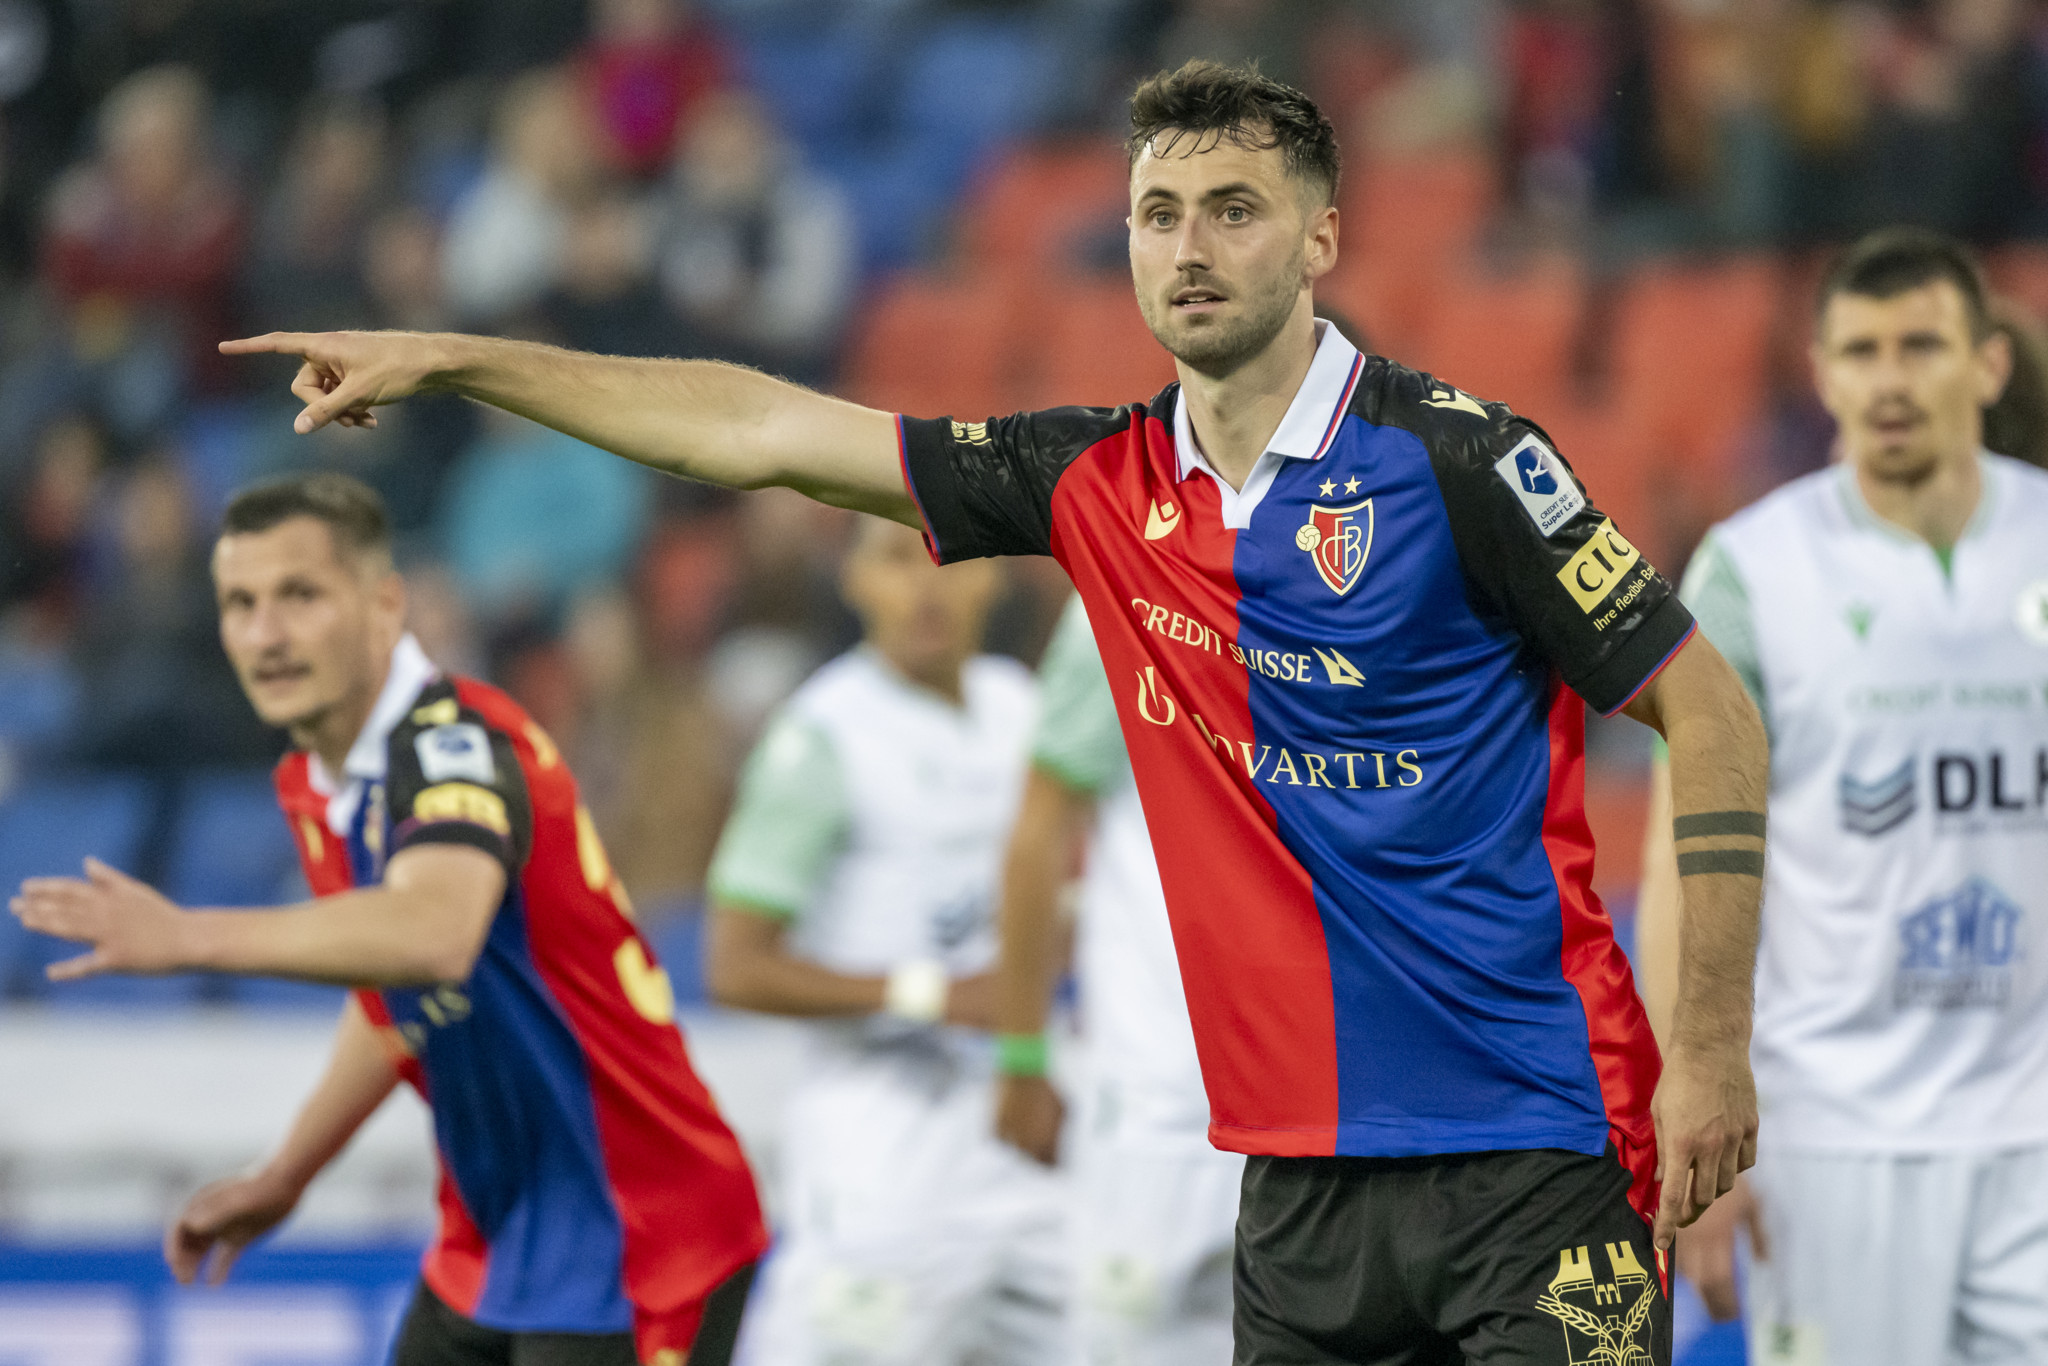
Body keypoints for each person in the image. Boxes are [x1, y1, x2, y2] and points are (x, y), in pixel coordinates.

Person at [218, 58, 1766, 1365]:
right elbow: (761, 428)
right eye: (1160, 214)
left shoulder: (1464, 463)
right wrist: (465, 361)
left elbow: (1713, 716)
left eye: (1235, 209)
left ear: (1320, 240)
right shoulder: (1099, 478)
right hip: (1294, 1184)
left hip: (1533, 1147)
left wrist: (1707, 1055)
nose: (1191, 247)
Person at [9, 473, 766, 1366]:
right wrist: (287, 1173)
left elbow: (432, 933)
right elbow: (394, 997)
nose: (267, 634)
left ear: (382, 604)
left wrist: (192, 935)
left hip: (638, 1229)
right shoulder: (314, 783)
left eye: (300, 595)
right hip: (494, 1237)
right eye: (241, 603)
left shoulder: (461, 744)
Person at [1639, 230, 2048, 1364]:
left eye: (1919, 345)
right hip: (1831, 1135)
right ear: (1819, 374)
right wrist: (1695, 1114)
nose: (1888, 378)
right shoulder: (1753, 569)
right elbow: (1683, 857)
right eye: (1858, 352)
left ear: (1986, 367)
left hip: (2035, 1131)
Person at [702, 516, 1065, 1365]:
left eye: (949, 561)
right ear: (855, 581)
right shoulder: (824, 736)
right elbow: (735, 964)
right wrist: (931, 994)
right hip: (879, 1139)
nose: (926, 586)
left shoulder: (1020, 709)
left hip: (1017, 1124)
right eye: (896, 561)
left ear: (991, 580)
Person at [991, 591, 1240, 1365]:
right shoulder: (1125, 576)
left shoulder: (1354, 557)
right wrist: (1023, 1054)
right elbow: (1038, 834)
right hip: (1156, 1096)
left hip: (1310, 1098)